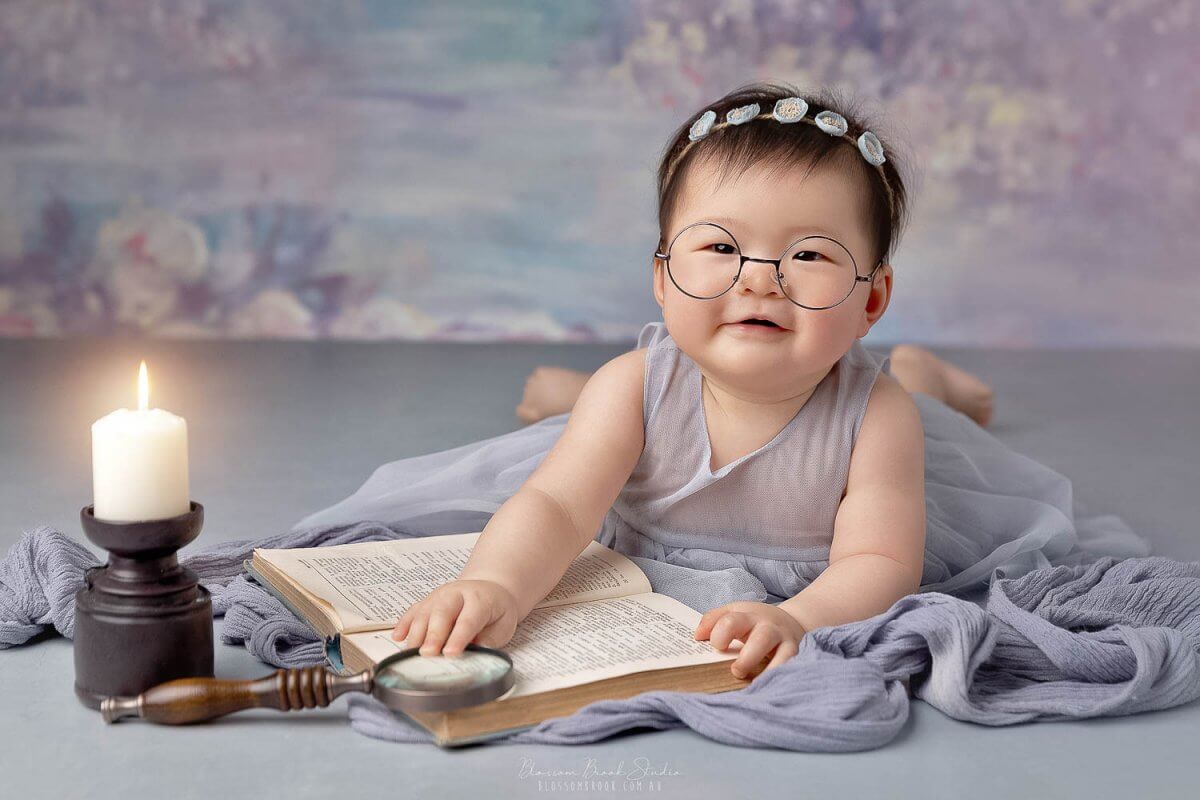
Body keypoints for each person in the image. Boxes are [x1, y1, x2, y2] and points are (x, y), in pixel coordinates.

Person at [374, 83, 1147, 682]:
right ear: (662, 277)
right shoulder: (634, 385)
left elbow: (880, 563)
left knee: (922, 409)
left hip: (861, 439)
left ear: (871, 298)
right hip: (646, 408)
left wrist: (802, 620)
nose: (760, 282)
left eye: (808, 255)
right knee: (594, 424)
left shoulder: (878, 418)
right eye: (720, 246)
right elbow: (554, 502)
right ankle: (567, 401)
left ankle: (931, 377)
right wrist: (497, 586)